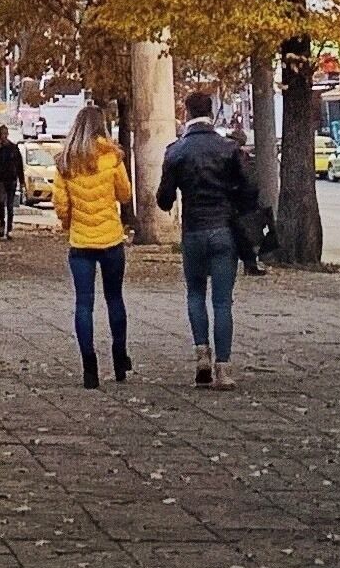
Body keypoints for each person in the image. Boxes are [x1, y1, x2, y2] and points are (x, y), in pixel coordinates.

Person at [156, 86, 260, 388]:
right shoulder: (228, 149)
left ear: (186, 113)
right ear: (211, 112)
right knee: (223, 302)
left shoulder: (175, 151)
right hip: (225, 231)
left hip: (193, 232)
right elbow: (249, 189)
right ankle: (223, 369)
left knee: (195, 294)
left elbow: (163, 200)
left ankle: (201, 354)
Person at [49, 103, 134, 387]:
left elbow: (61, 205)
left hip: (81, 242)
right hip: (110, 239)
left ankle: (89, 366)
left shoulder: (65, 161)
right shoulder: (112, 157)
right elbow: (124, 194)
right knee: (114, 299)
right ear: (102, 126)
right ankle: (120, 355)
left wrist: (69, 224)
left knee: (83, 303)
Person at [0, 127, 26, 238]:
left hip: (12, 179)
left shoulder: (13, 148)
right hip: (2, 179)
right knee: (1, 203)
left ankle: (9, 229)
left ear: (7, 134)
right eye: (1, 134)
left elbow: (19, 165)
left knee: (10, 205)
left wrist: (21, 181)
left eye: (4, 133)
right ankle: (2, 224)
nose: (3, 136)